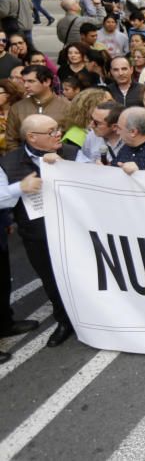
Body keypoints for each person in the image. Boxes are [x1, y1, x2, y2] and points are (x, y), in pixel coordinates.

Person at [0, 114, 88, 348]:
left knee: (81, 275)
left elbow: (93, 180)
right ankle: (64, 321)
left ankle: (91, 317)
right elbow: (1, 199)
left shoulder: (70, 153)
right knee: (50, 279)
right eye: (51, 131)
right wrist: (20, 187)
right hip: (36, 236)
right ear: (32, 137)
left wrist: (64, 167)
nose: (58, 133)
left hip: (74, 231)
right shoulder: (9, 162)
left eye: (58, 128)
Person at [5, 65, 71, 152]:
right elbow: (11, 140)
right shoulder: (17, 107)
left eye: (31, 81)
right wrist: (21, 160)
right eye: (24, 81)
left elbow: (71, 140)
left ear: (47, 82)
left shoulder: (67, 107)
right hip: (25, 161)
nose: (26, 85)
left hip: (58, 159)